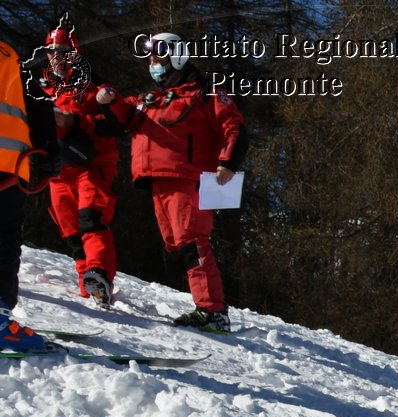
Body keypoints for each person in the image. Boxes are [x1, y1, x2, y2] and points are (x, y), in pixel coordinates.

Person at [96, 32, 245, 333]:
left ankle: (213, 311)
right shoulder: (153, 98)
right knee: (177, 245)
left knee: (192, 241)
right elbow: (125, 114)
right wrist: (108, 99)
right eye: (150, 56)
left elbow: (234, 127)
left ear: (177, 56)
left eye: (158, 56)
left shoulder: (205, 93)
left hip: (188, 179)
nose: (152, 62)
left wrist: (227, 162)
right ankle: (206, 307)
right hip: (158, 181)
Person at [33, 24, 119, 309]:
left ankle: (99, 275)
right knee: (70, 233)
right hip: (59, 173)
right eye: (52, 51)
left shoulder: (94, 86)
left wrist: (80, 121)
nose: (56, 57)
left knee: (90, 221)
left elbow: (116, 124)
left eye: (62, 51)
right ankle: (88, 283)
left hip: (90, 168)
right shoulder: (41, 88)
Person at [1, 34, 54, 353]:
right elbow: (37, 101)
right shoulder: (11, 55)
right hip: (7, 163)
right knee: (4, 240)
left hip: (10, 163)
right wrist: (49, 149)